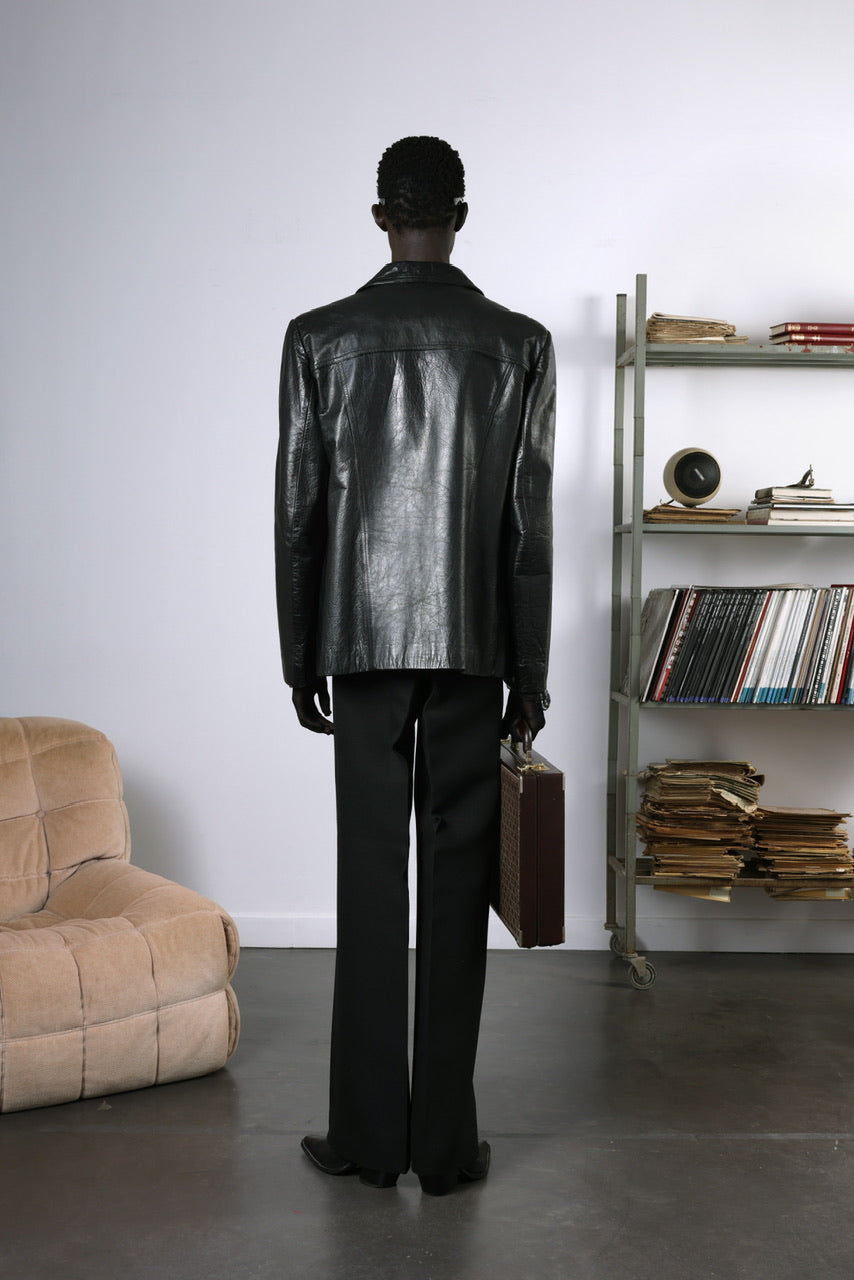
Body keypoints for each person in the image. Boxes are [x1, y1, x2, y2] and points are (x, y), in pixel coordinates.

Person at [275, 136, 555, 1196]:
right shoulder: (518, 342)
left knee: (367, 880)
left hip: (357, 645)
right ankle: (443, 1145)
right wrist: (527, 672)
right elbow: (527, 528)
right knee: (456, 881)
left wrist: (299, 654)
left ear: (380, 216)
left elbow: (298, 513)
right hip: (473, 647)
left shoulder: (319, 338)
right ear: (460, 215)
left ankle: (365, 1138)